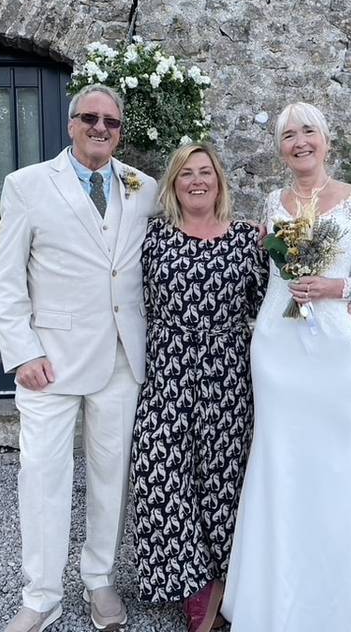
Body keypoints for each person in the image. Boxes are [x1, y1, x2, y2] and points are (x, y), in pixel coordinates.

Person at [221, 102, 351, 631]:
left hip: (330, 346)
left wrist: (338, 289)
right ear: (280, 148)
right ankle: (272, 583)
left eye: (308, 132)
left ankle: (339, 580)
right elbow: (274, 275)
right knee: (277, 453)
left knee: (335, 454)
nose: (299, 141)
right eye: (288, 135)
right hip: (276, 343)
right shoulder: (273, 201)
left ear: (327, 140)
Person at [0, 84, 158, 632]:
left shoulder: (143, 186)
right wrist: (21, 353)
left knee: (111, 475)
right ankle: (40, 595)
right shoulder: (28, 185)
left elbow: (185, 231)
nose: (101, 129)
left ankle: (100, 579)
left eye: (111, 122)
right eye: (90, 118)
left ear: (120, 131)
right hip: (50, 362)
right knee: (42, 476)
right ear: (70, 124)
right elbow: (7, 278)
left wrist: (249, 235)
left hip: (120, 359)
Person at [130, 144, 267, 632]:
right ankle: (194, 584)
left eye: (205, 171)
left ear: (219, 181)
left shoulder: (248, 242)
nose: (196, 180)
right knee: (159, 475)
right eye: (186, 173)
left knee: (224, 483)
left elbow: (278, 305)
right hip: (167, 372)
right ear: (173, 183)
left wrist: (341, 304)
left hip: (228, 377)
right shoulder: (151, 239)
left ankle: (229, 581)